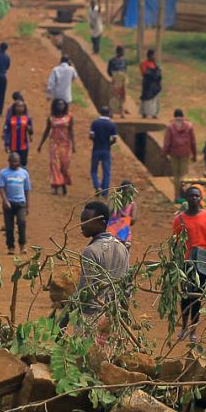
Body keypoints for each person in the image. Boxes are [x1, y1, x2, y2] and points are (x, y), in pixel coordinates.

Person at [172, 184, 206, 340]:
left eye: (197, 196)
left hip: (203, 261)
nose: (194, 198)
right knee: (186, 296)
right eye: (191, 196)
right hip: (185, 262)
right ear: (185, 199)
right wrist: (174, 261)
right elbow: (175, 242)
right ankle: (184, 327)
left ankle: (193, 330)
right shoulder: (179, 219)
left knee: (198, 296)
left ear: (201, 199)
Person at [75, 200, 131, 328]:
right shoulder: (122, 248)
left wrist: (66, 318)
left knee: (85, 348)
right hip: (113, 316)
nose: (82, 225)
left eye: (86, 220)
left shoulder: (91, 251)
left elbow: (86, 291)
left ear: (102, 223)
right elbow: (126, 287)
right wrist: (123, 318)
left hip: (92, 318)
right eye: (81, 220)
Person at [38, 98, 75, 195]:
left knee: (64, 166)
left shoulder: (69, 117)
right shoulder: (51, 118)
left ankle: (63, 184)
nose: (60, 106)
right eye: (59, 104)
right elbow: (46, 131)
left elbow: (71, 131)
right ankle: (54, 186)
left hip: (65, 144)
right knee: (54, 165)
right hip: (54, 144)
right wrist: (41, 144)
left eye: (62, 104)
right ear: (55, 106)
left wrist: (74, 145)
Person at [0, 151, 31, 253]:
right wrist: (5, 201)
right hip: (8, 204)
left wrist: (27, 205)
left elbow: (27, 190)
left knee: (22, 223)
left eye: (16, 161)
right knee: (9, 227)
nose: (14, 163)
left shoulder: (24, 173)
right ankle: (11, 247)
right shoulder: (3, 173)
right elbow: (1, 188)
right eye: (12, 161)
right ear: (8, 161)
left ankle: (22, 245)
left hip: (21, 203)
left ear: (19, 162)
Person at [162, 109, 198, 198]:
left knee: (176, 175)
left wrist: (164, 154)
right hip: (185, 153)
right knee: (183, 175)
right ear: (183, 116)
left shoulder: (170, 127)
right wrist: (194, 154)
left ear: (174, 117)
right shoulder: (189, 127)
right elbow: (193, 142)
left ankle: (177, 196)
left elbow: (167, 142)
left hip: (174, 153)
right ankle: (183, 195)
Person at [89, 107, 117, 194]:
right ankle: (105, 191)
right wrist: (109, 144)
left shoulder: (95, 123)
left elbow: (91, 136)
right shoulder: (112, 125)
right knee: (106, 171)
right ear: (108, 113)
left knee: (94, 170)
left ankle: (97, 186)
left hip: (96, 148)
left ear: (100, 112)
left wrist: (95, 141)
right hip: (106, 150)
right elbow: (114, 139)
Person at [3, 96, 33, 166]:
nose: (20, 108)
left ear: (24, 108)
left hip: (24, 145)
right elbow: (7, 132)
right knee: (14, 162)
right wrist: (6, 144)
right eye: (18, 106)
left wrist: (29, 129)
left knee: (23, 162)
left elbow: (31, 132)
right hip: (13, 145)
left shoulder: (27, 119)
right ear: (14, 108)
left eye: (22, 106)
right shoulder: (10, 119)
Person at [139, 50, 162, 118]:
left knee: (154, 99)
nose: (154, 57)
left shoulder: (155, 64)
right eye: (153, 55)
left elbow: (158, 74)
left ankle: (154, 113)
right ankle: (145, 113)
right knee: (146, 98)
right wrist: (153, 74)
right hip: (147, 84)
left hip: (154, 85)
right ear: (149, 55)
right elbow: (144, 73)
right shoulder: (144, 64)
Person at [107, 46, 129, 116]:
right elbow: (109, 70)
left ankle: (122, 112)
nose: (123, 53)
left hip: (123, 78)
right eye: (122, 51)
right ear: (118, 52)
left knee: (123, 95)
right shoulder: (112, 60)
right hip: (116, 77)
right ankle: (112, 112)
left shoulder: (124, 60)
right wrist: (114, 76)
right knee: (114, 95)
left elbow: (125, 69)